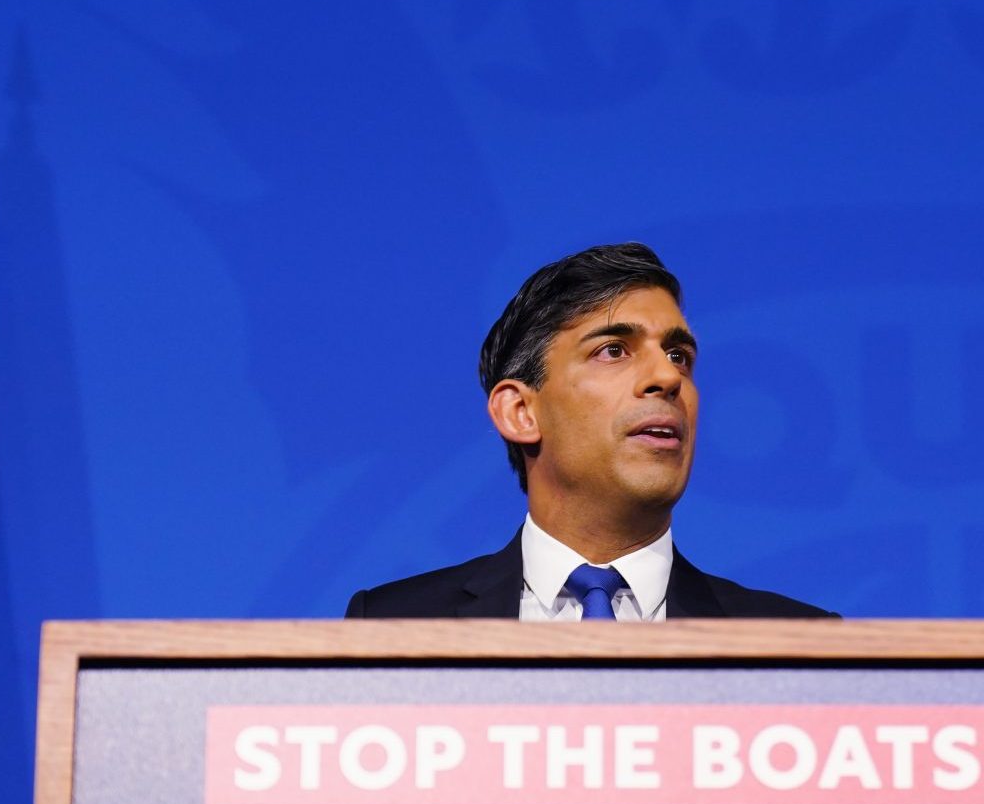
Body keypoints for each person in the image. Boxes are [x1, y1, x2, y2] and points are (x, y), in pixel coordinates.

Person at [345, 242, 833, 620]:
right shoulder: (394, 624)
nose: (667, 378)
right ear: (519, 411)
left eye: (678, 356)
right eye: (614, 350)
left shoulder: (801, 648)